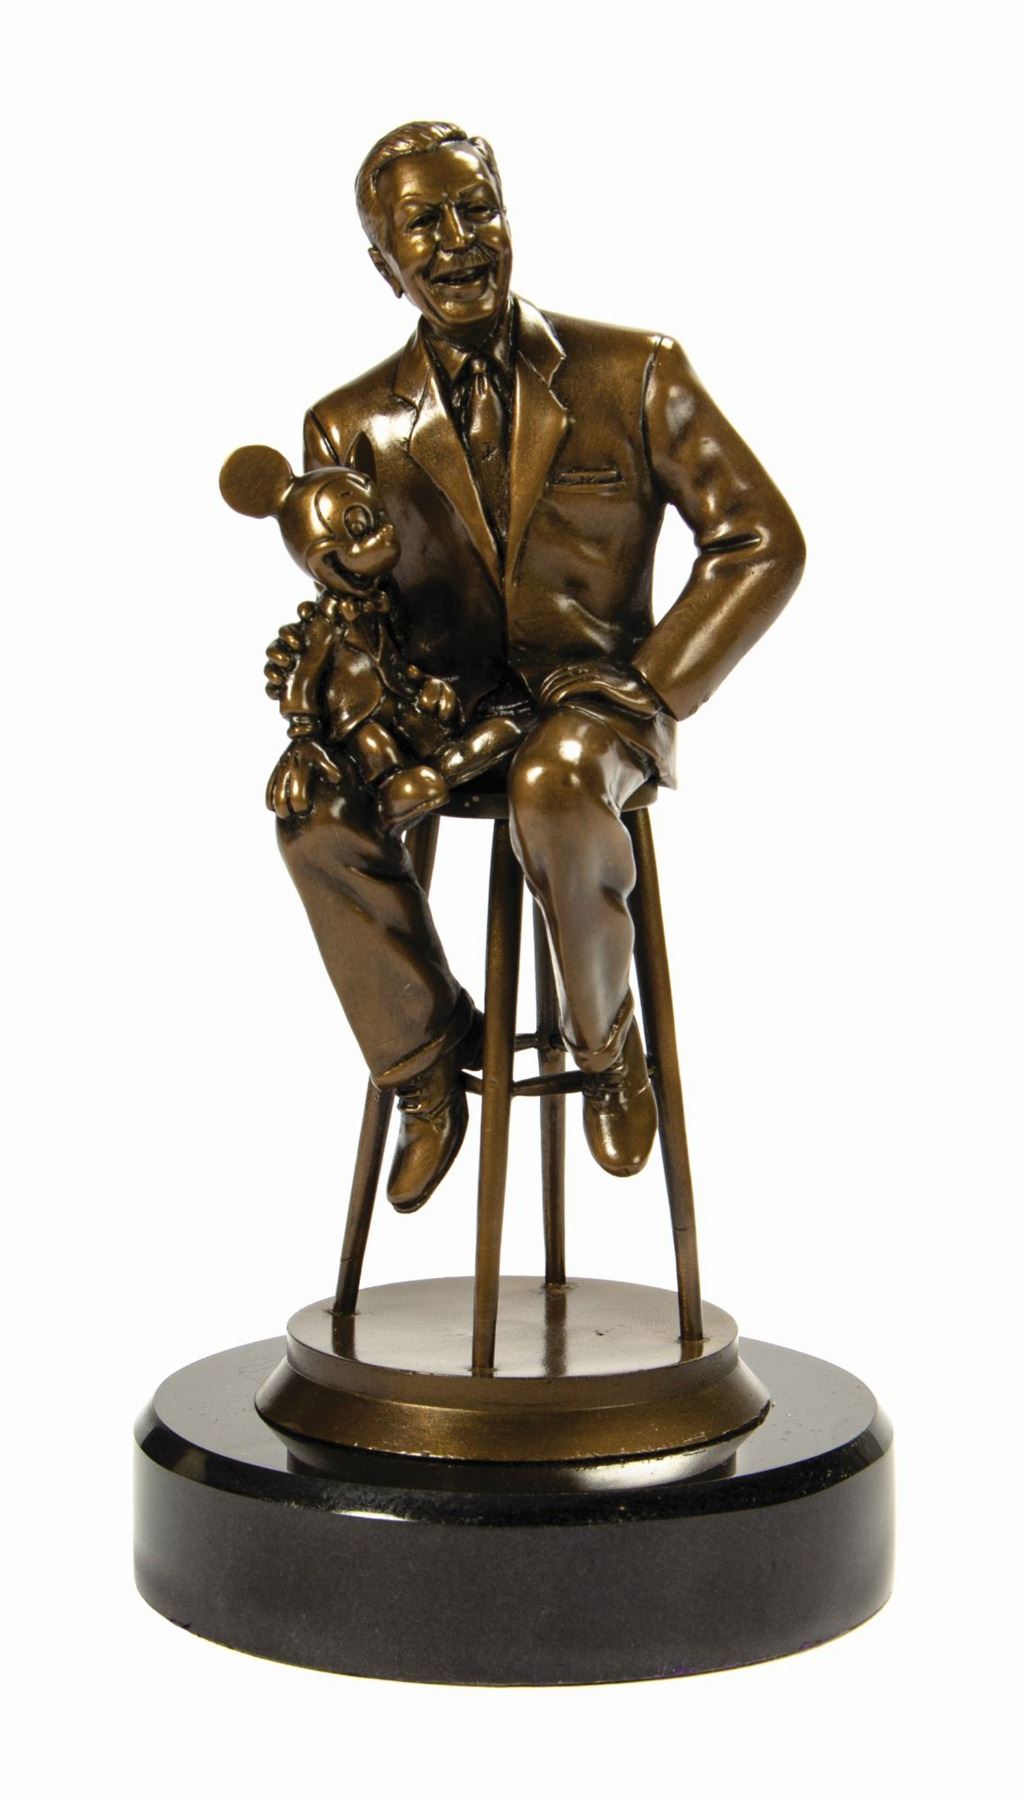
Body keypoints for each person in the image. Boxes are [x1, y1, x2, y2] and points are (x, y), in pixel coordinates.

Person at [269, 120, 805, 1215]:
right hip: (437, 714)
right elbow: (353, 605)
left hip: (595, 710)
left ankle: (605, 1044)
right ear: (383, 264)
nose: (459, 240)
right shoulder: (347, 422)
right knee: (310, 811)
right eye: (423, 225)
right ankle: (425, 1061)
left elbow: (760, 540)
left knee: (555, 780)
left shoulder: (633, 372)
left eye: (477, 209)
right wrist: (318, 713)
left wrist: (651, 686)